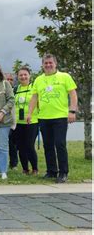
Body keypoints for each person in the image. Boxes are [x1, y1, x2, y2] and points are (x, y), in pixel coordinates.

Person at [27, 54, 77, 183]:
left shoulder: (65, 77)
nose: (48, 65)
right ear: (42, 65)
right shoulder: (38, 80)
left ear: (55, 64)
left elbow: (73, 94)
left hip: (60, 117)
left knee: (60, 144)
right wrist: (29, 113)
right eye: (46, 63)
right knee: (48, 145)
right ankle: (51, 171)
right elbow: (34, 98)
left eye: (50, 63)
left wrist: (72, 111)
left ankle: (63, 172)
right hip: (43, 117)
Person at [13, 67, 39, 175]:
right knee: (20, 147)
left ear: (29, 76)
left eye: (25, 75)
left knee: (29, 146)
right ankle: (25, 169)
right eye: (21, 75)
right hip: (18, 122)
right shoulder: (16, 89)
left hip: (32, 122)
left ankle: (35, 168)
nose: (23, 77)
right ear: (18, 77)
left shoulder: (34, 88)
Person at [5, 72, 18, 169]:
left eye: (11, 79)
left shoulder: (17, 90)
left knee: (15, 144)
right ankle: (11, 163)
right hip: (6, 121)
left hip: (19, 121)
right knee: (9, 143)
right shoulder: (1, 91)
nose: (9, 81)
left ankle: (14, 163)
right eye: (7, 79)